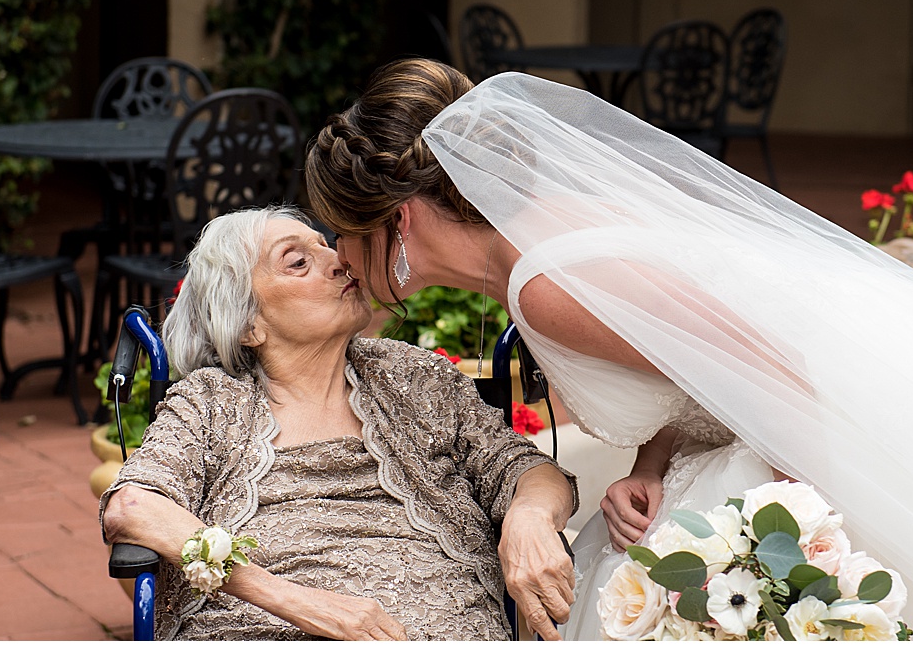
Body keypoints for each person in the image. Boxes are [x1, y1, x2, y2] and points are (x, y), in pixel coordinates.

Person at [302, 58, 913, 641]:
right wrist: (650, 468)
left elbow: (772, 362)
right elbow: (693, 363)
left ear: (397, 223)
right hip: (777, 414)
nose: (339, 258)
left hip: (827, 425)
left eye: (342, 235)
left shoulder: (543, 281)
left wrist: (793, 544)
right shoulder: (532, 252)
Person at [99, 205, 579, 641]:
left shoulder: (413, 376)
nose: (338, 262)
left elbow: (525, 468)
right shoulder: (211, 403)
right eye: (297, 262)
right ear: (249, 325)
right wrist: (301, 603)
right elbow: (132, 507)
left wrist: (530, 514)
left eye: (325, 246)